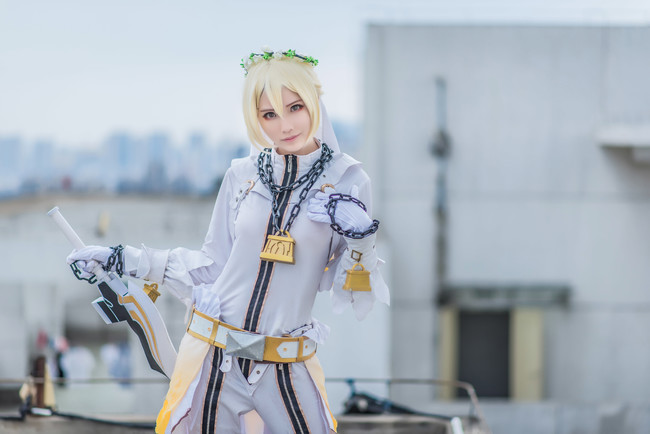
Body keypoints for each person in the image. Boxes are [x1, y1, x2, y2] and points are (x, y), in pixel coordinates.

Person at [67, 48, 389, 434]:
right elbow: (212, 266)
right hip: (216, 357)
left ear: (315, 102)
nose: (285, 125)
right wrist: (124, 258)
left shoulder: (349, 181)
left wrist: (362, 238)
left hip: (287, 364)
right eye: (269, 114)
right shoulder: (242, 175)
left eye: (296, 107)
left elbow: (352, 290)